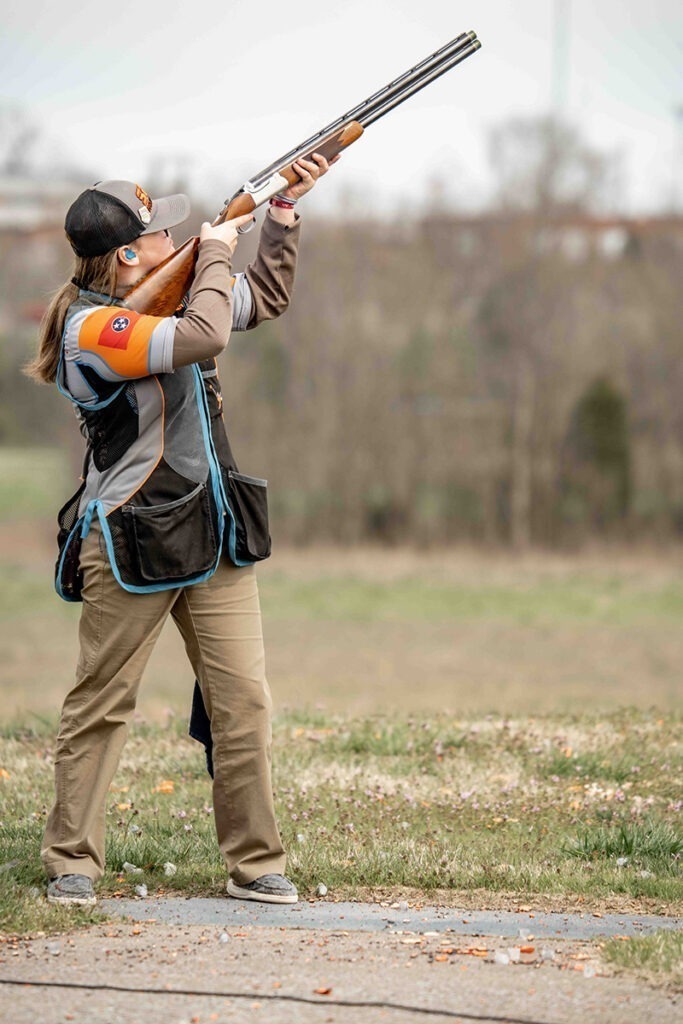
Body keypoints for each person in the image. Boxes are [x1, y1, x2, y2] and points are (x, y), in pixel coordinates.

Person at [27, 154, 334, 907]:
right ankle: (73, 860)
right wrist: (221, 248)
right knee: (102, 703)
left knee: (243, 703)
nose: (174, 238)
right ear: (128, 253)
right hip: (131, 538)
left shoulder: (166, 297)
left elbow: (257, 299)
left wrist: (282, 215)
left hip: (212, 529)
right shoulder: (91, 329)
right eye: (160, 232)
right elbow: (204, 335)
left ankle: (256, 862)